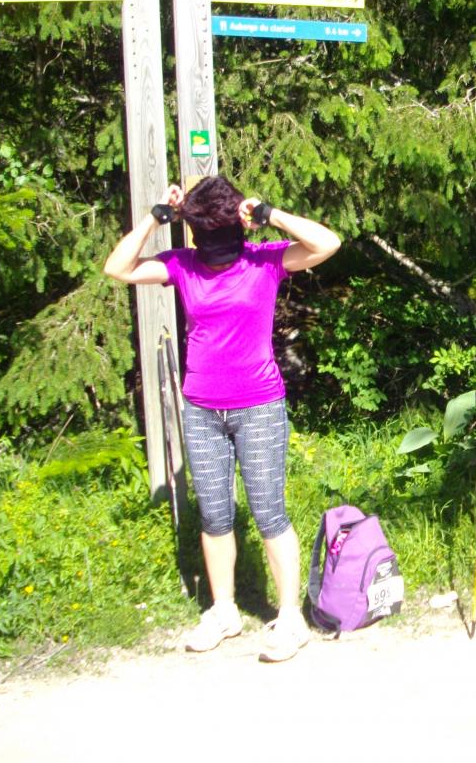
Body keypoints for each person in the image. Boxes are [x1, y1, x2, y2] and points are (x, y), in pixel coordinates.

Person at [104, 175, 341, 660]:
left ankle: (291, 619)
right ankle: (225, 610)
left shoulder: (264, 259)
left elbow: (327, 242)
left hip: (259, 407)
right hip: (202, 409)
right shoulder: (183, 265)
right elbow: (118, 267)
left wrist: (269, 212)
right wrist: (155, 217)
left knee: (268, 512)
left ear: (237, 223)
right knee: (214, 515)